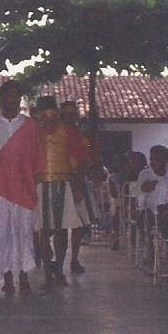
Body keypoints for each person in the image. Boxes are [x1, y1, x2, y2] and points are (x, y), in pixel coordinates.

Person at [0, 80, 40, 294]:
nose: (12, 99)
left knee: (24, 231)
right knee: (1, 231)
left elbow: (36, 156)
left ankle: (24, 274)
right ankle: (7, 276)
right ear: (1, 98)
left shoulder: (30, 125)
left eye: (16, 95)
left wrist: (28, 178)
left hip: (24, 186)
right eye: (9, 95)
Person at [32, 96, 89, 285]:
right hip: (39, 184)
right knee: (43, 230)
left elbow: (80, 159)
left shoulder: (68, 132)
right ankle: (49, 273)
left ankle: (58, 269)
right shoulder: (31, 132)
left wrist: (78, 186)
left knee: (62, 229)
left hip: (64, 184)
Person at [60, 100, 98, 275]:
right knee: (58, 225)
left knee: (79, 225)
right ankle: (56, 259)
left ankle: (74, 259)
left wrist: (78, 185)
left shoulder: (82, 136)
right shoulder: (56, 133)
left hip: (77, 181)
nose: (69, 116)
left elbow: (85, 160)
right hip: (58, 181)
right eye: (66, 113)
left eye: (72, 112)